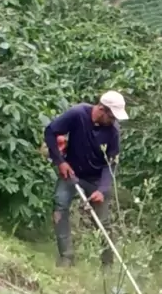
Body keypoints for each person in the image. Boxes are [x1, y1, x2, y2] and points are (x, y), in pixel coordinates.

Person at [44, 91, 128, 267]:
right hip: (71, 172)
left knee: (103, 222)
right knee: (60, 206)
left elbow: (111, 163)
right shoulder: (78, 114)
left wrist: (102, 190)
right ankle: (66, 257)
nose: (114, 120)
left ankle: (107, 265)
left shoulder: (113, 131)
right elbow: (50, 131)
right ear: (102, 109)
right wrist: (60, 162)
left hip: (96, 179)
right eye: (112, 116)